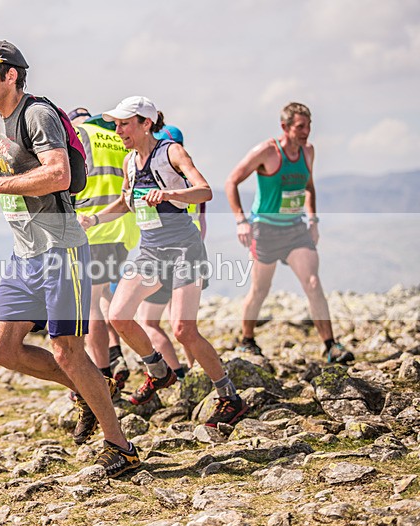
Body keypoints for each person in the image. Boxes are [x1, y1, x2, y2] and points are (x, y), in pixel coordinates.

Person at [0, 40, 139, 477]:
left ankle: (122, 447)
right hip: (25, 254)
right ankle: (93, 387)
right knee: (2, 349)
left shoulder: (36, 114)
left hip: (61, 250)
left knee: (68, 351)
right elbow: (20, 178)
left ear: (10, 75)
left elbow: (57, 174)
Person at [82, 96, 248, 427]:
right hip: (150, 251)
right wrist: (94, 219)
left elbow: (204, 191)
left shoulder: (171, 152)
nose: (118, 130)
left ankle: (229, 396)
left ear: (146, 124)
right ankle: (158, 371)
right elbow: (126, 201)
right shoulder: (129, 161)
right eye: (116, 124)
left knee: (184, 330)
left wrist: (170, 195)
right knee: (119, 316)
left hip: (184, 249)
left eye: (124, 124)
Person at [225, 102, 354, 364]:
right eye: (300, 127)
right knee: (260, 289)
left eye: (309, 125)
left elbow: (309, 186)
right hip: (265, 230)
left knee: (313, 283)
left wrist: (313, 220)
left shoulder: (308, 151)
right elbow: (231, 181)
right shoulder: (267, 152)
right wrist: (241, 221)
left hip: (295, 229)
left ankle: (331, 345)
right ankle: (247, 340)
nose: (306, 131)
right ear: (285, 127)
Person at [69, 108, 139, 391]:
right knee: (105, 293)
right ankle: (115, 353)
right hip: (124, 229)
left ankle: (103, 376)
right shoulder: (116, 137)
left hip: (93, 227)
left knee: (91, 303)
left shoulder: (77, 135)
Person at [137, 125, 203, 380]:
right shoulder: (189, 183)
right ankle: (193, 371)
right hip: (190, 254)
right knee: (182, 326)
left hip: (172, 255)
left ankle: (180, 374)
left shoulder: (165, 183)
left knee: (155, 323)